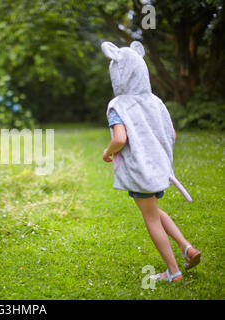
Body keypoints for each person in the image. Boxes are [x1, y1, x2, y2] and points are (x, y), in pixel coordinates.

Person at [101, 41, 201, 283]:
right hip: (159, 168)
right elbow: (172, 134)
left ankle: (173, 271)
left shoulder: (119, 105)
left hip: (140, 169)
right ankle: (187, 248)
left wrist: (108, 151)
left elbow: (120, 139)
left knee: (151, 217)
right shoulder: (155, 101)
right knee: (154, 210)